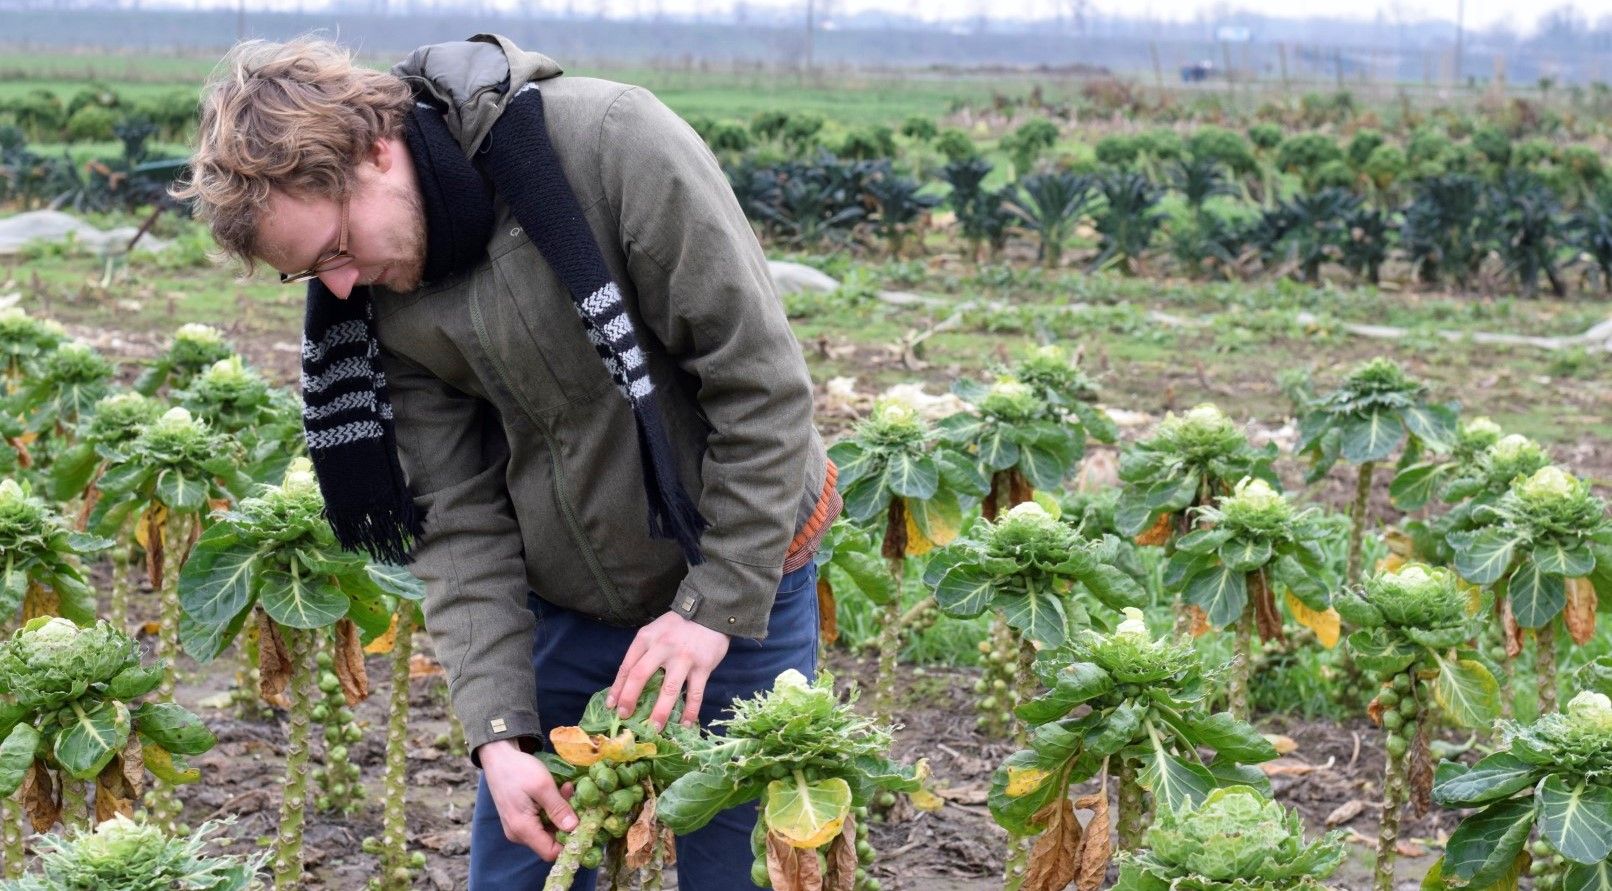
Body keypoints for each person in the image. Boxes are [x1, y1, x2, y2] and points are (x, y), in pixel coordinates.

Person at [174, 33, 840, 889]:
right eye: (308, 273)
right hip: (564, 600)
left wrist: (713, 607)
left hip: (746, 574)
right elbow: (452, 512)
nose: (337, 290)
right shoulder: (379, 294)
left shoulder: (611, 146)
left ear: (377, 150)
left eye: (336, 250)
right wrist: (499, 731)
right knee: (520, 864)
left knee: (741, 869)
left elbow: (763, 391)